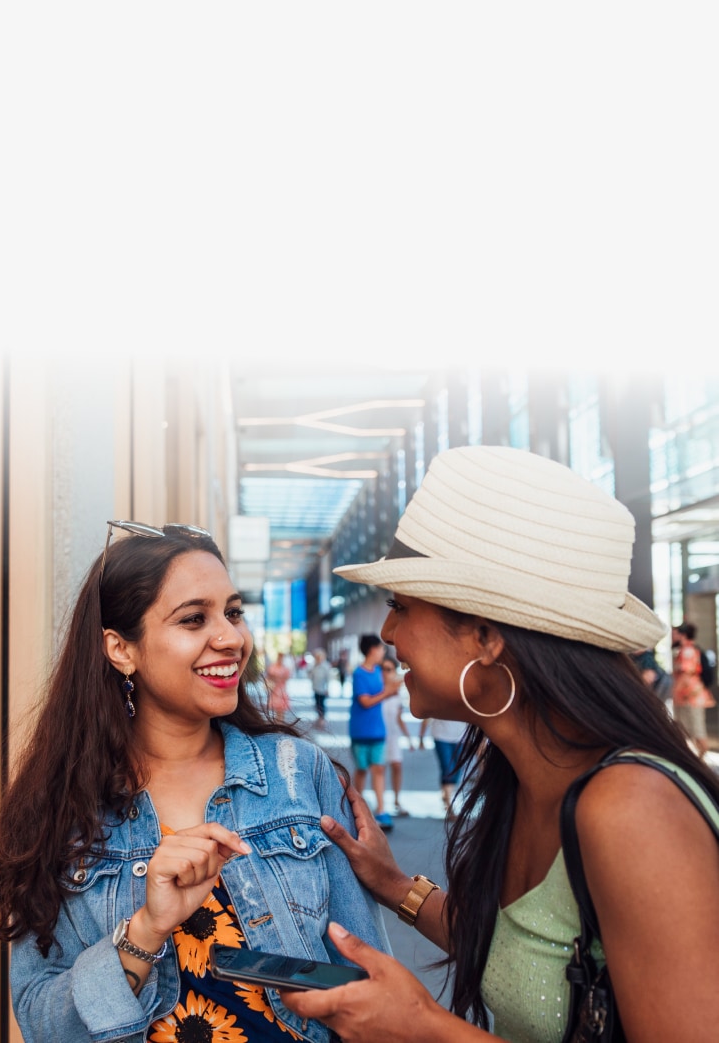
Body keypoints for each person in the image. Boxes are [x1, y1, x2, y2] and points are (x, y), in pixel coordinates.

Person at [274, 446, 719, 1043]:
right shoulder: (530, 777)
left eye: (401, 607)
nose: (387, 633)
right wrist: (395, 885)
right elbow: (528, 959)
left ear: (485, 636)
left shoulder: (631, 809)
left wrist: (424, 1029)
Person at [0, 520, 390, 1043]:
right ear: (121, 649)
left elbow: (370, 986)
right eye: (194, 619)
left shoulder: (297, 771)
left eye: (233, 613)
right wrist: (144, 930)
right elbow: (42, 1023)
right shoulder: (60, 809)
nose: (232, 638)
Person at [348, 633, 398, 831]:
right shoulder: (359, 674)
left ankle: (381, 810)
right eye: (381, 648)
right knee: (361, 770)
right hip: (360, 731)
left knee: (379, 769)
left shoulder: (380, 671)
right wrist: (388, 692)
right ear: (372, 650)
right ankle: (356, 809)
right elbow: (365, 701)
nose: (383, 652)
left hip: (378, 730)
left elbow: (388, 687)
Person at [672, 621, 716, 758]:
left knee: (697, 730)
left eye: (676, 633)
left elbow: (686, 674)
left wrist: (673, 692)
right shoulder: (685, 650)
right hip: (687, 697)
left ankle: (702, 760)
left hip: (691, 696)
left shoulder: (688, 651)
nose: (673, 636)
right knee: (687, 729)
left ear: (682, 634)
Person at [380, 657, 415, 816]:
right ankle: (381, 803)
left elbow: (399, 718)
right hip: (378, 736)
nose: (385, 673)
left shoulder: (396, 694)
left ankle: (396, 800)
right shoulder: (377, 691)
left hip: (393, 736)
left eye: (389, 669)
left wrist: (408, 737)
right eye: (383, 669)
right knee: (379, 769)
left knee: (397, 766)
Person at [419, 716, 472, 819]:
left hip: (461, 737)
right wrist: (421, 736)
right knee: (447, 768)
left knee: (457, 769)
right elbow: (427, 714)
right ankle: (448, 804)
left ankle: (446, 795)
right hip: (441, 736)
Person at [264, 649, 292, 717]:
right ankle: (278, 722)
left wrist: (279, 678)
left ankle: (280, 721)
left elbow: (287, 677)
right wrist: (275, 678)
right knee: (276, 708)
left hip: (281, 689)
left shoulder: (285, 668)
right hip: (275, 689)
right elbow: (269, 676)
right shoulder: (273, 666)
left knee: (281, 709)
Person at [310, 649, 332, 726]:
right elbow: (312, 676)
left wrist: (327, 688)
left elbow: (328, 678)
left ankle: (322, 718)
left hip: (323, 688)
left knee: (321, 703)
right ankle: (319, 717)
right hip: (316, 687)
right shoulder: (314, 666)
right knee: (317, 703)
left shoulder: (325, 666)